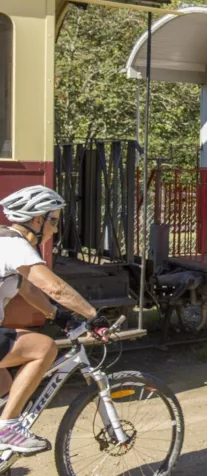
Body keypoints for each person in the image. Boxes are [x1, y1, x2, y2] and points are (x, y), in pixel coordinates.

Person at [0, 186, 109, 453]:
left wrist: (57, 315)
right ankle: (8, 428)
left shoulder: (5, 241)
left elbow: (28, 289)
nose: (55, 230)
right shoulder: (15, 245)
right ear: (37, 220)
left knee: (5, 389)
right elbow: (55, 288)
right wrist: (93, 316)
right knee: (44, 347)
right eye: (54, 221)